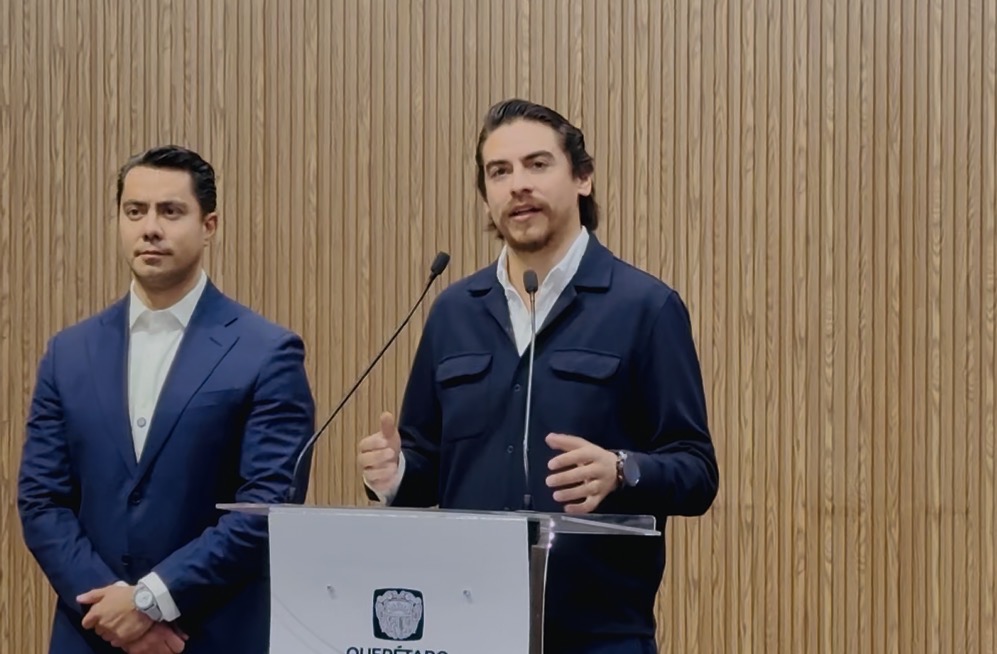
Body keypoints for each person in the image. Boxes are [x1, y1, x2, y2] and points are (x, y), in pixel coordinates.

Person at [358, 98, 719, 654]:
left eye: (537, 164)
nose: (518, 184)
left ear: (582, 178)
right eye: (499, 172)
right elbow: (428, 469)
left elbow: (696, 472)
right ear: (486, 195)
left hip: (598, 634)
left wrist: (622, 470)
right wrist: (394, 475)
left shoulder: (644, 308)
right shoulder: (453, 312)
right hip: (463, 627)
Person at [17, 145, 316, 654]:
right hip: (90, 634)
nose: (150, 228)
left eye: (170, 211)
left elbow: (266, 508)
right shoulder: (69, 353)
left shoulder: (267, 352)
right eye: (135, 211)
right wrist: (112, 611)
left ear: (209, 225)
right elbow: (42, 500)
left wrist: (150, 601)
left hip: (207, 634)